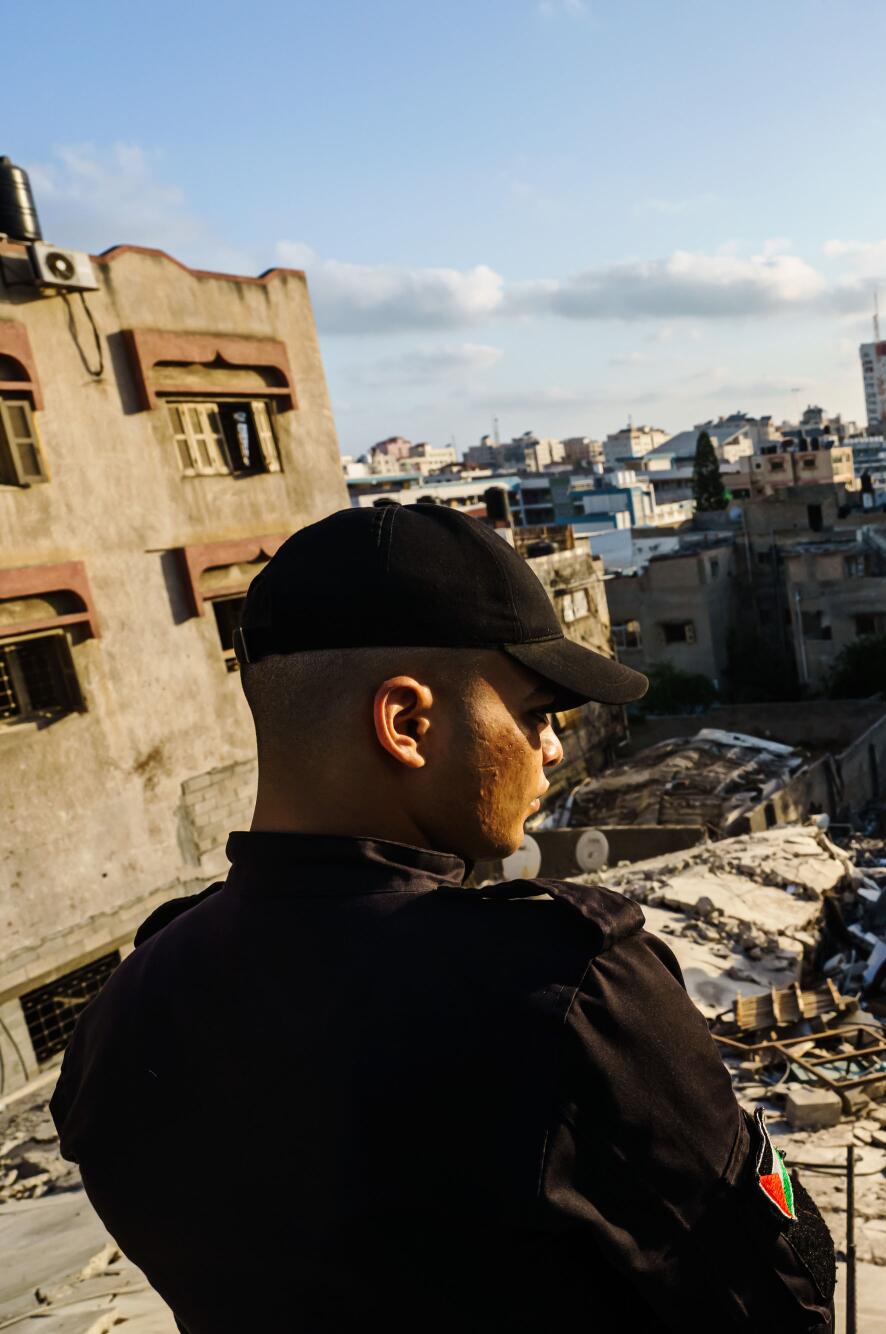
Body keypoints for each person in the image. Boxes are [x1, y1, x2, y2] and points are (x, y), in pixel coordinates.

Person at [52, 503, 836, 1331]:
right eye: (535, 713)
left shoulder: (118, 1022)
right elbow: (784, 1296)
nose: (554, 748)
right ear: (407, 723)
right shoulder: (565, 992)